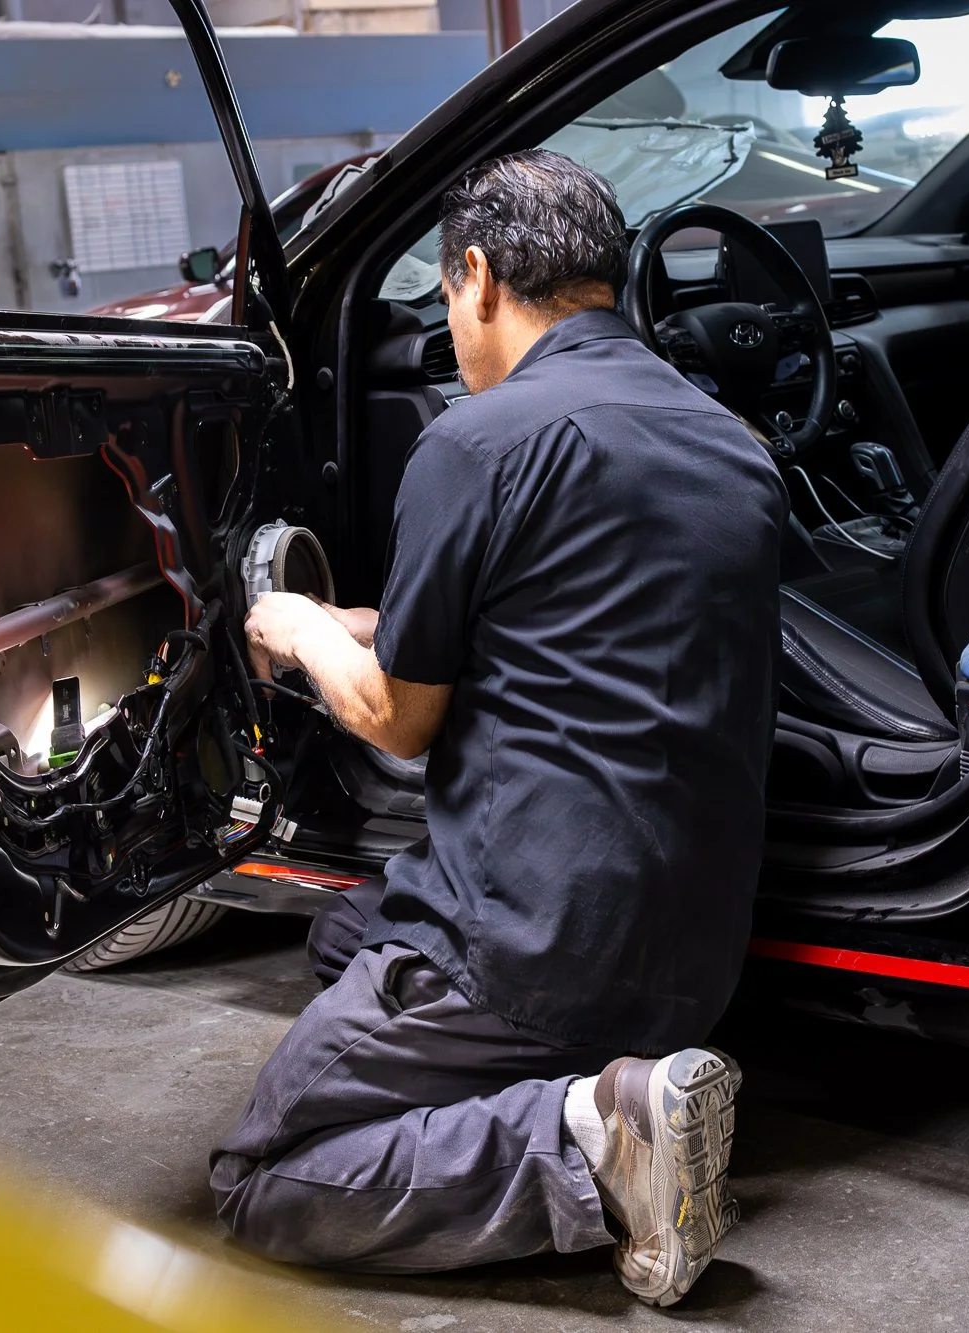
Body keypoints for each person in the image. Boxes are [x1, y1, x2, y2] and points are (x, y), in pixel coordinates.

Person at [212, 149, 788, 1307]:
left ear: (474, 274)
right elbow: (572, 627)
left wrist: (298, 629)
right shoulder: (729, 443)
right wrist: (367, 621)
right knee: (344, 938)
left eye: (444, 297)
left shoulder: (473, 441)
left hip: (530, 948)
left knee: (256, 1178)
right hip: (692, 954)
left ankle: (595, 1138)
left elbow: (394, 718)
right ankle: (612, 1077)